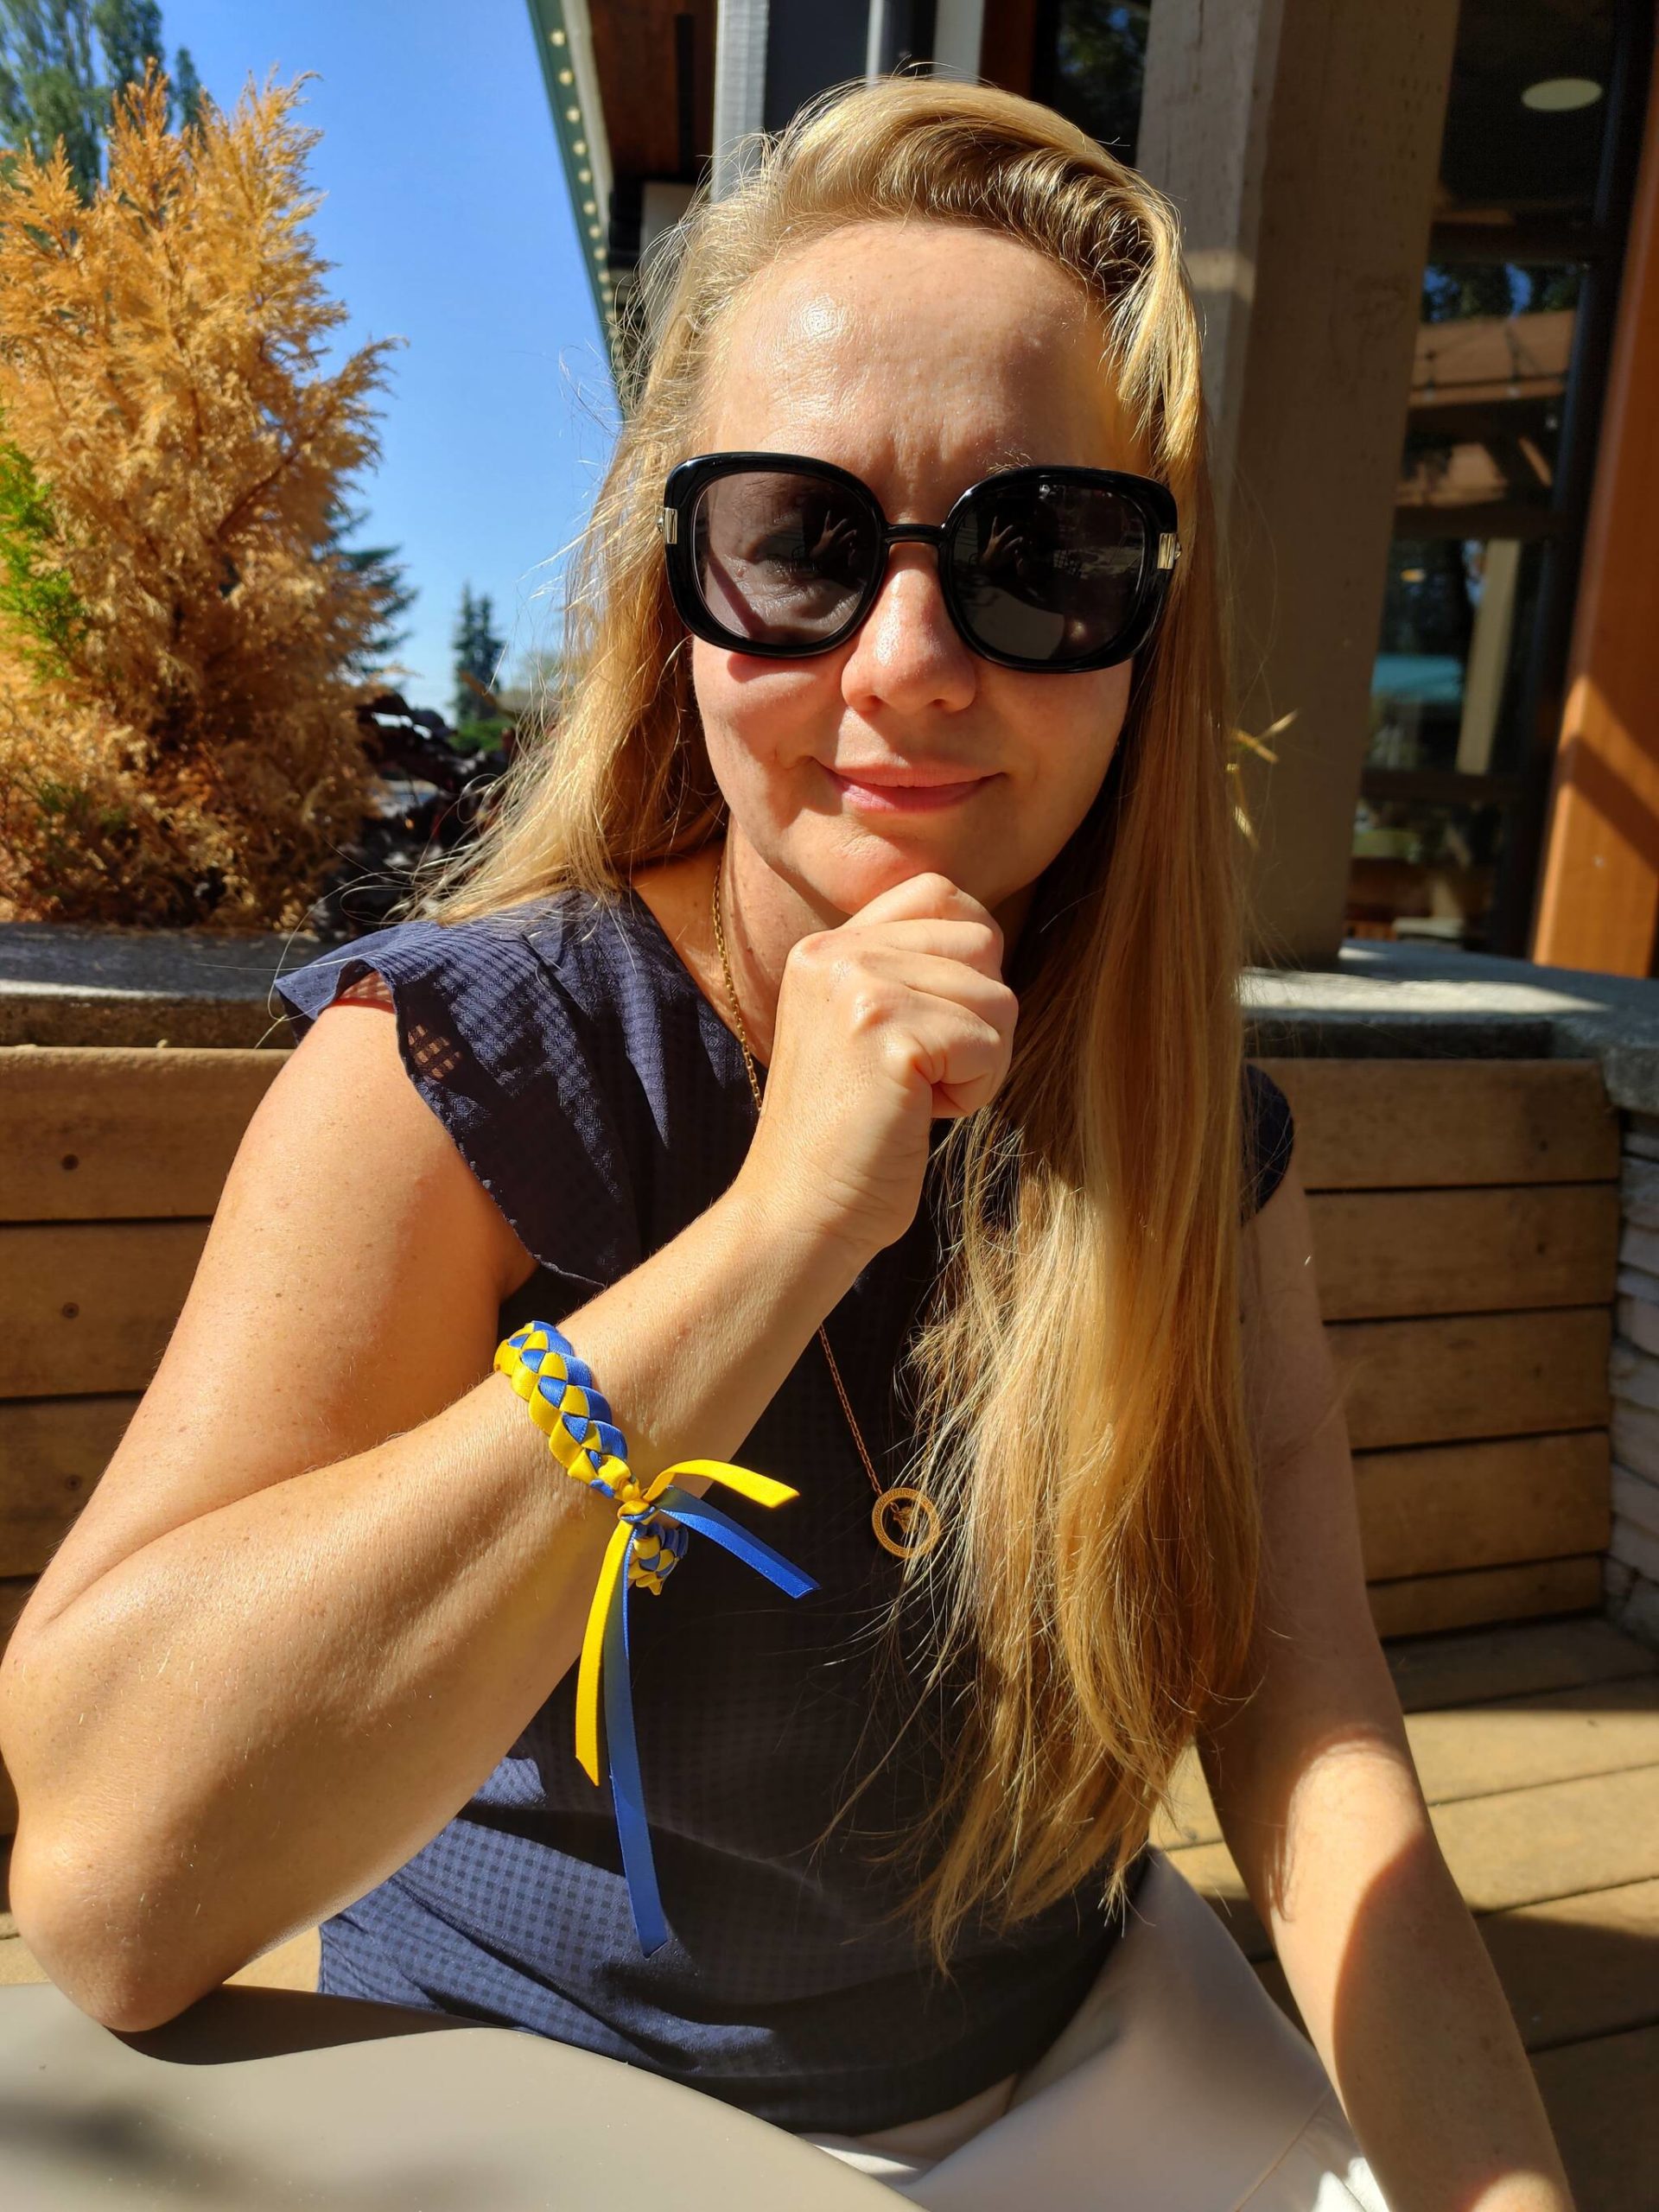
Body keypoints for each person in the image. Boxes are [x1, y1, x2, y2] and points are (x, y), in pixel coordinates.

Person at [0, 78, 1573, 2212]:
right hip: (522, 2111)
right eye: (804, 544)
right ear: (685, 596)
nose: (908, 664)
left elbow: (1314, 1736)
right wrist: (775, 1235)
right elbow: (108, 1884)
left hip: (1080, 2082)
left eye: (1039, 556)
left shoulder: (1192, 1135)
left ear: (1145, 635)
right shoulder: (466, 1065)